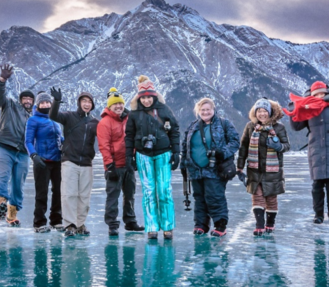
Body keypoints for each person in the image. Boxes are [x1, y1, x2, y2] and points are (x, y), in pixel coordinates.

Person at [285, 82, 329, 224]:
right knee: (317, 185)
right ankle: (318, 215)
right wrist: (293, 110)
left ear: (326, 93)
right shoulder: (307, 108)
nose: (319, 96)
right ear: (311, 95)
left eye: (322, 93)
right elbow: (296, 126)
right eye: (316, 94)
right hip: (316, 149)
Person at [124, 75, 181, 240]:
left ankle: (168, 227)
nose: (147, 100)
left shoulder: (164, 110)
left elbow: (175, 130)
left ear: (154, 96)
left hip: (163, 153)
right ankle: (151, 227)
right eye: (144, 97)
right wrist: (130, 157)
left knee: (164, 190)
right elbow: (129, 136)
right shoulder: (134, 114)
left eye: (149, 97)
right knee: (149, 192)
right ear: (139, 98)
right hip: (143, 155)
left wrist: (176, 152)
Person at [181, 98, 240, 237]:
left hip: (215, 169)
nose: (205, 112)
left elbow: (235, 141)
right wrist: (183, 164)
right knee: (199, 198)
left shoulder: (224, 124)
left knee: (215, 197)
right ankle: (201, 225)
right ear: (198, 111)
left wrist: (222, 152)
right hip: (195, 169)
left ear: (214, 110)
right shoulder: (192, 126)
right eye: (202, 110)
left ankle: (220, 225)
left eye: (208, 109)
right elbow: (185, 146)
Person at [49, 87, 99, 237]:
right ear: (79, 103)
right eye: (84, 101)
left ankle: (80, 224)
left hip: (86, 163)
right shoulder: (69, 116)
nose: (87, 104)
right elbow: (53, 115)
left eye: (89, 102)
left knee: (84, 196)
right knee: (69, 194)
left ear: (92, 105)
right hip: (69, 160)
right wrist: (56, 101)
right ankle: (70, 224)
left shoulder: (95, 122)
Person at [236, 98, 290, 236]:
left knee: (271, 198)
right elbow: (243, 147)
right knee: (257, 196)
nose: (262, 114)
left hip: (273, 171)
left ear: (270, 112)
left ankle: (270, 224)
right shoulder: (250, 127)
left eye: (264, 111)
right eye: (259, 111)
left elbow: (286, 146)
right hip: (254, 170)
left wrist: (278, 146)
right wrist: (240, 166)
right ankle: (259, 225)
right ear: (255, 113)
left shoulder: (279, 128)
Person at [98, 87, 144, 236]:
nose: (118, 106)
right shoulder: (105, 122)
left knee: (129, 195)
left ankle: (130, 222)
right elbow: (103, 145)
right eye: (115, 104)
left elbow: (134, 139)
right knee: (113, 196)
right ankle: (112, 224)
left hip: (128, 164)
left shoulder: (129, 119)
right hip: (114, 166)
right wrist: (109, 165)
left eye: (120, 103)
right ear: (109, 106)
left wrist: (135, 157)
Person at [0, 64, 34, 227]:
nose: (28, 101)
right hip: (4, 146)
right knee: (0, 176)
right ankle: (1, 202)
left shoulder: (33, 118)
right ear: (20, 100)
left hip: (23, 153)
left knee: (18, 184)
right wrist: (2, 80)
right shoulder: (9, 105)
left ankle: (12, 214)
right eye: (25, 98)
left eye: (31, 99)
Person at [24, 91, 64, 233]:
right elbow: (28, 141)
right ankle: (39, 222)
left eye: (48, 102)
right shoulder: (33, 120)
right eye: (43, 102)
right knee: (42, 192)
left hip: (57, 160)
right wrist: (34, 156)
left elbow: (61, 139)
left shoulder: (55, 120)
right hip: (42, 161)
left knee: (58, 191)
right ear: (38, 104)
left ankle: (56, 220)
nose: (46, 105)